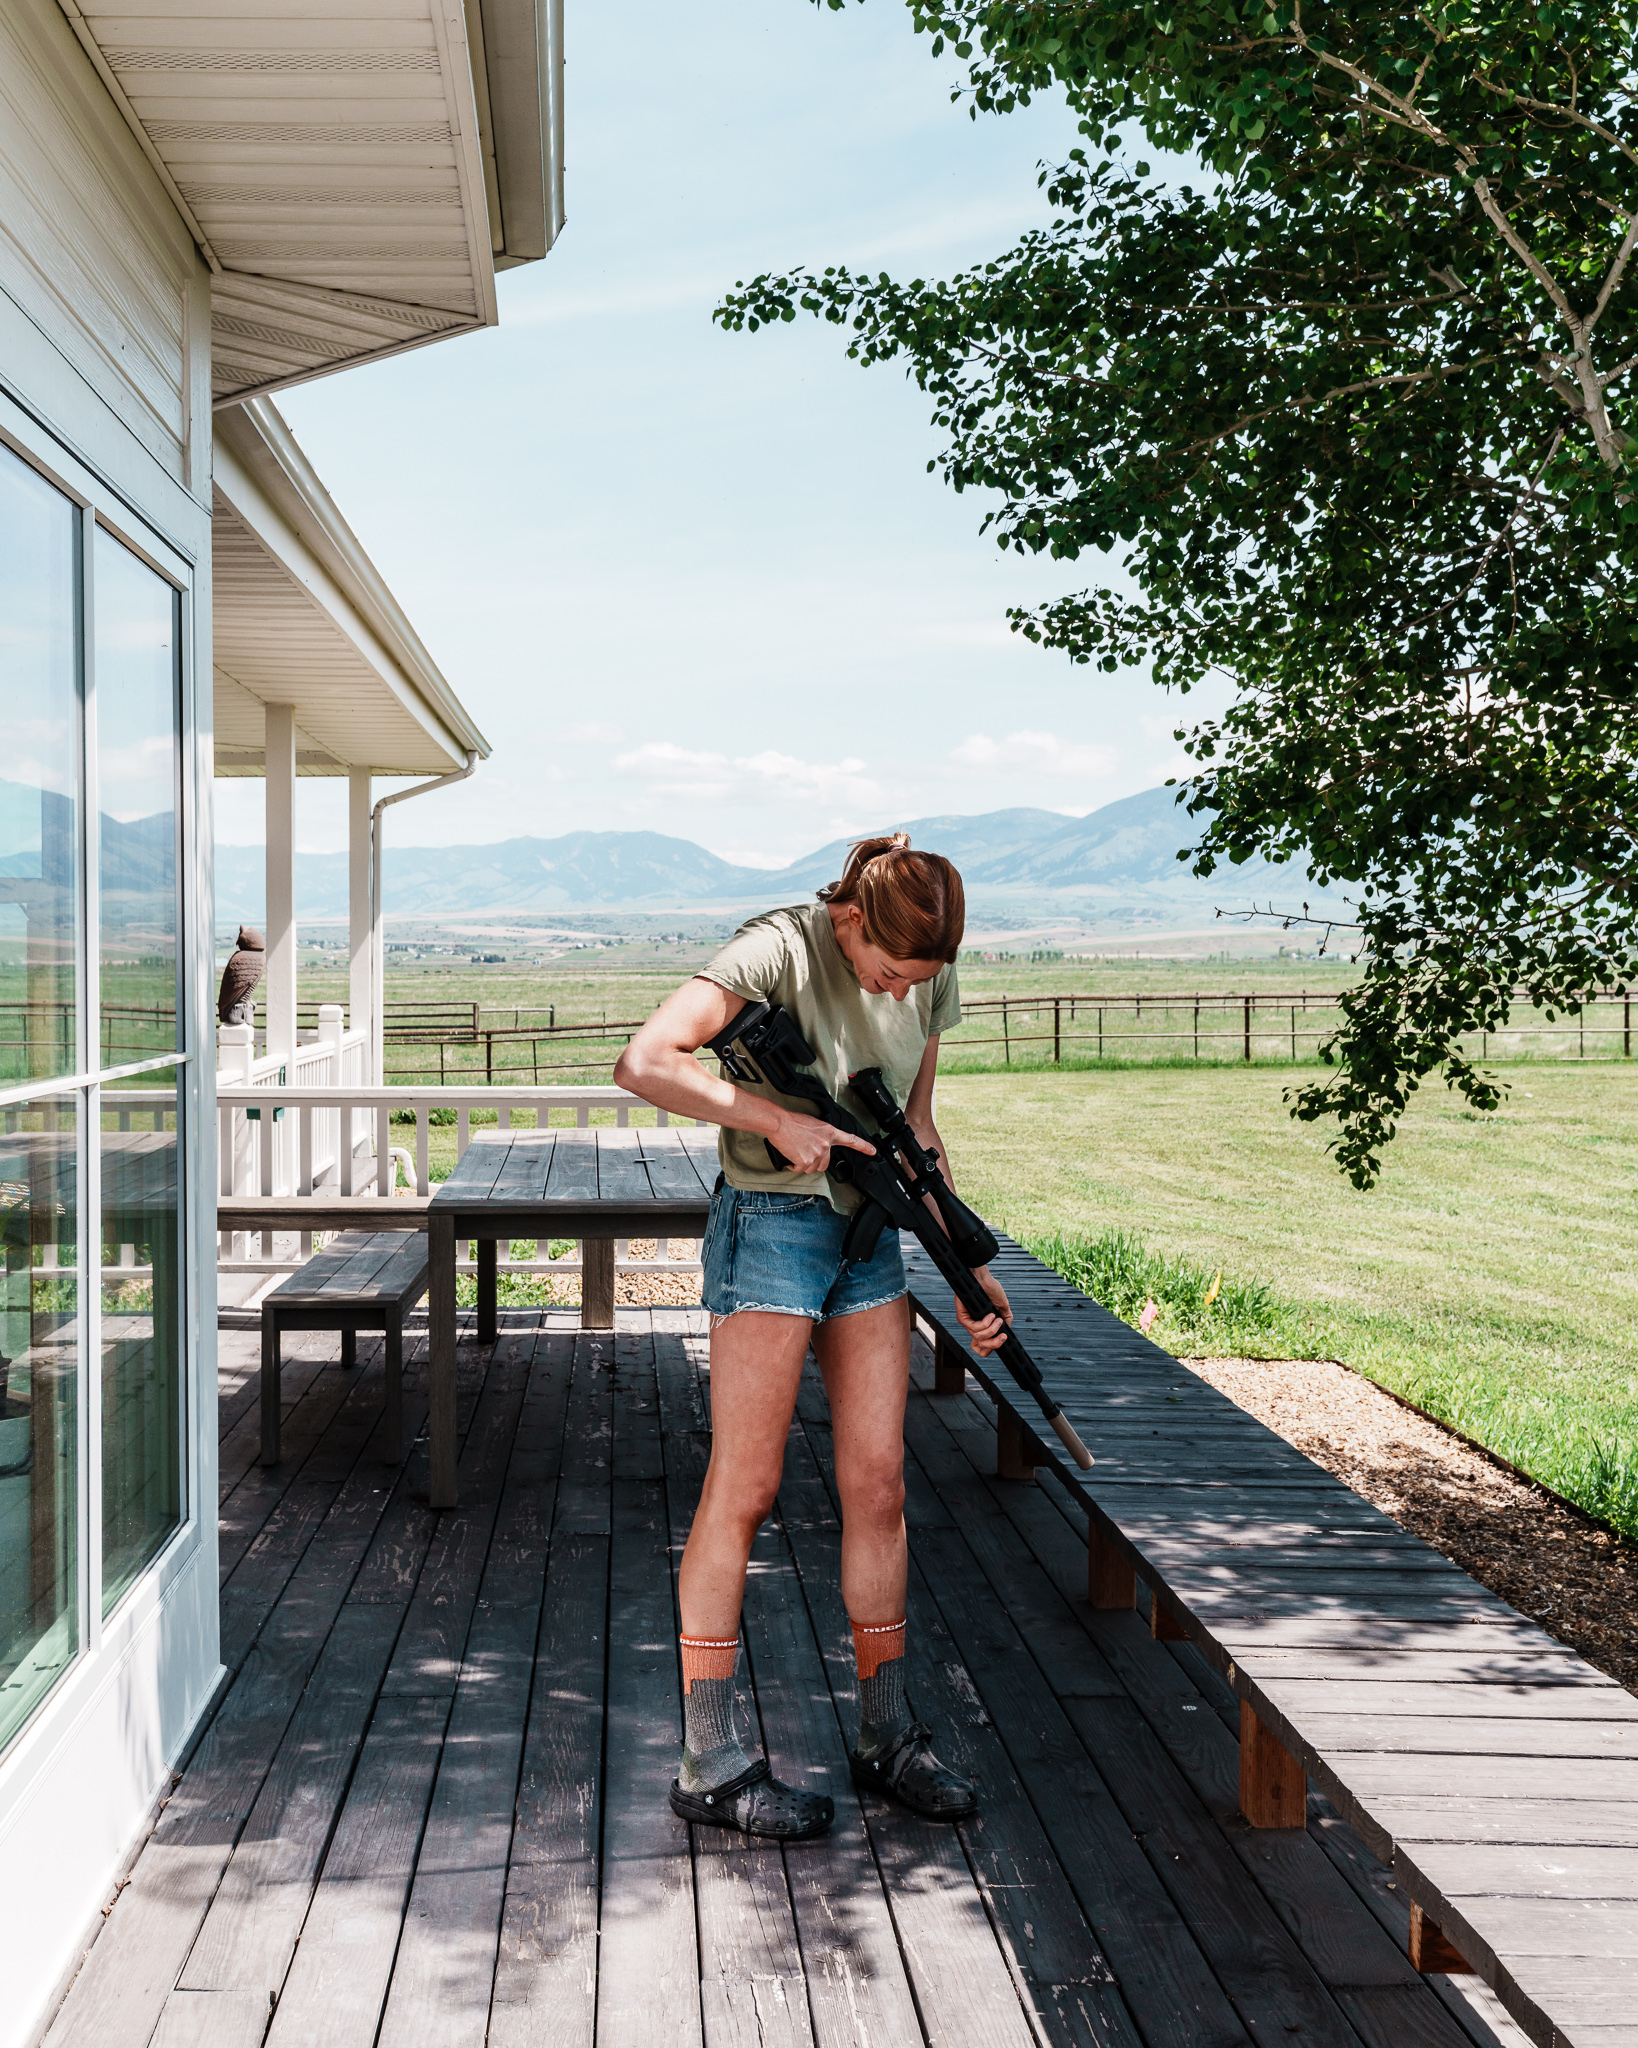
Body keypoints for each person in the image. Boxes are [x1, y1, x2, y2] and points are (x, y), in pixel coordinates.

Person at [614, 833, 1012, 1839]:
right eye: (883, 975)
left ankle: (887, 1733)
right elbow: (645, 1059)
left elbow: (917, 1126)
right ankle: (711, 1759)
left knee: (879, 1483)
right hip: (773, 1226)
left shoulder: (929, 972)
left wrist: (964, 1260)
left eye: (911, 985)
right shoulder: (775, 950)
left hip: (868, 1234)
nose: (893, 998)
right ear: (849, 921)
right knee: (743, 1486)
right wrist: (770, 1117)